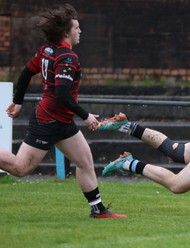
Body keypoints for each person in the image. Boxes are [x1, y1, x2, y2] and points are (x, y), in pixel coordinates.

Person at [1, 4, 126, 218]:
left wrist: (18, 101)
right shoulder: (67, 58)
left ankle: (98, 210)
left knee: (84, 161)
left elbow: (25, 72)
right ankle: (97, 210)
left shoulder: (47, 50)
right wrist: (86, 116)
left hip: (62, 121)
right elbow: (62, 94)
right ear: (66, 32)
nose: (80, 31)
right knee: (21, 169)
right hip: (48, 121)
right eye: (76, 27)